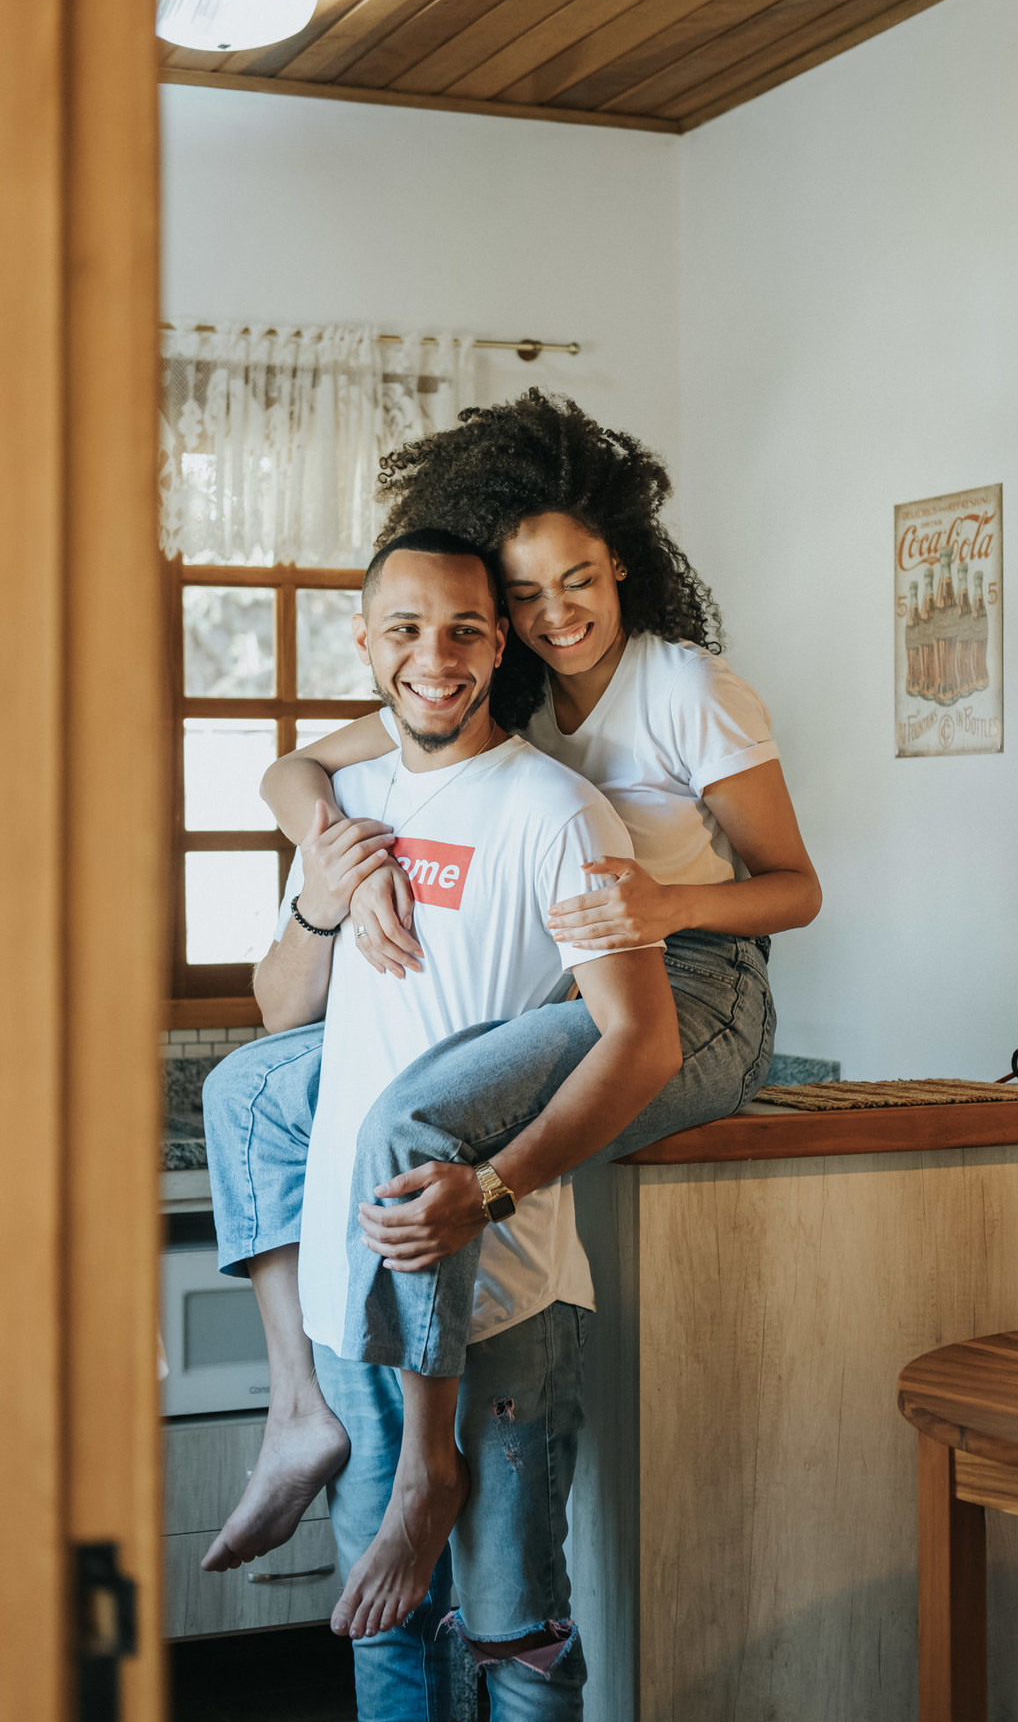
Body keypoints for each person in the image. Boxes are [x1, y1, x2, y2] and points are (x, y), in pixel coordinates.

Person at [202, 390, 821, 1644]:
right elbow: (295, 767)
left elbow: (796, 889)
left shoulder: (685, 687)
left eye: (576, 581)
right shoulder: (509, 685)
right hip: (579, 975)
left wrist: (665, 901)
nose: (555, 614)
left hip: (699, 978)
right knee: (249, 1087)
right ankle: (298, 1409)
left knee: (420, 1118)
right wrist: (341, 869)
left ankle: (428, 1469)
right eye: (526, 595)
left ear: (623, 564)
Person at [218, 526, 683, 1719]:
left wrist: (497, 1186)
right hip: (347, 1294)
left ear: (499, 647)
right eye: (409, 630)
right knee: (389, 1634)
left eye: (466, 630)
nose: (437, 657)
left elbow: (642, 1041)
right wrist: (323, 902)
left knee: (516, 1637)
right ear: (365, 644)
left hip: (506, 1298)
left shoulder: (559, 813)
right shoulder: (347, 806)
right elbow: (281, 1011)